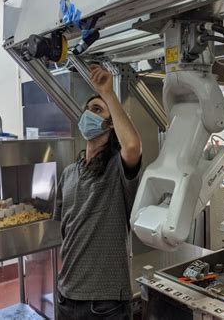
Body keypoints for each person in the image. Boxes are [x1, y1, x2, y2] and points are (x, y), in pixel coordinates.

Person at [54, 64, 142, 319]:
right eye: (87, 110)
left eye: (97, 110)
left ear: (110, 124)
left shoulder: (117, 170)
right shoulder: (69, 173)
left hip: (105, 303)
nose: (88, 115)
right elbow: (66, 233)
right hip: (66, 294)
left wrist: (108, 94)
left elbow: (133, 145)